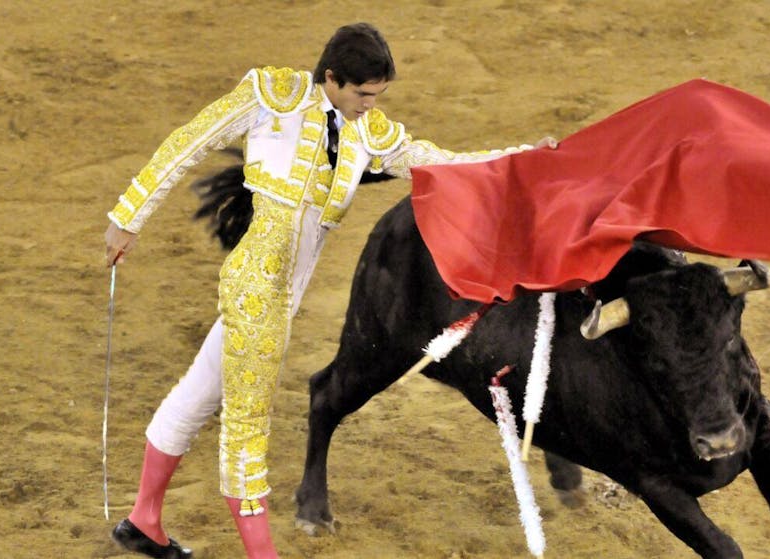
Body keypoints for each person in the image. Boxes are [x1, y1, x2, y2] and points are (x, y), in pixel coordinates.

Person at [104, 22, 556, 559]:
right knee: (247, 428)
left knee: (199, 395)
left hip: (281, 294)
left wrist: (523, 158)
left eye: (377, 95)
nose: (370, 105)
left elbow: (441, 162)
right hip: (256, 290)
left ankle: (143, 520)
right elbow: (188, 142)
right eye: (363, 94)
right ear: (333, 78)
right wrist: (128, 217)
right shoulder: (271, 97)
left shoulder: (367, 134)